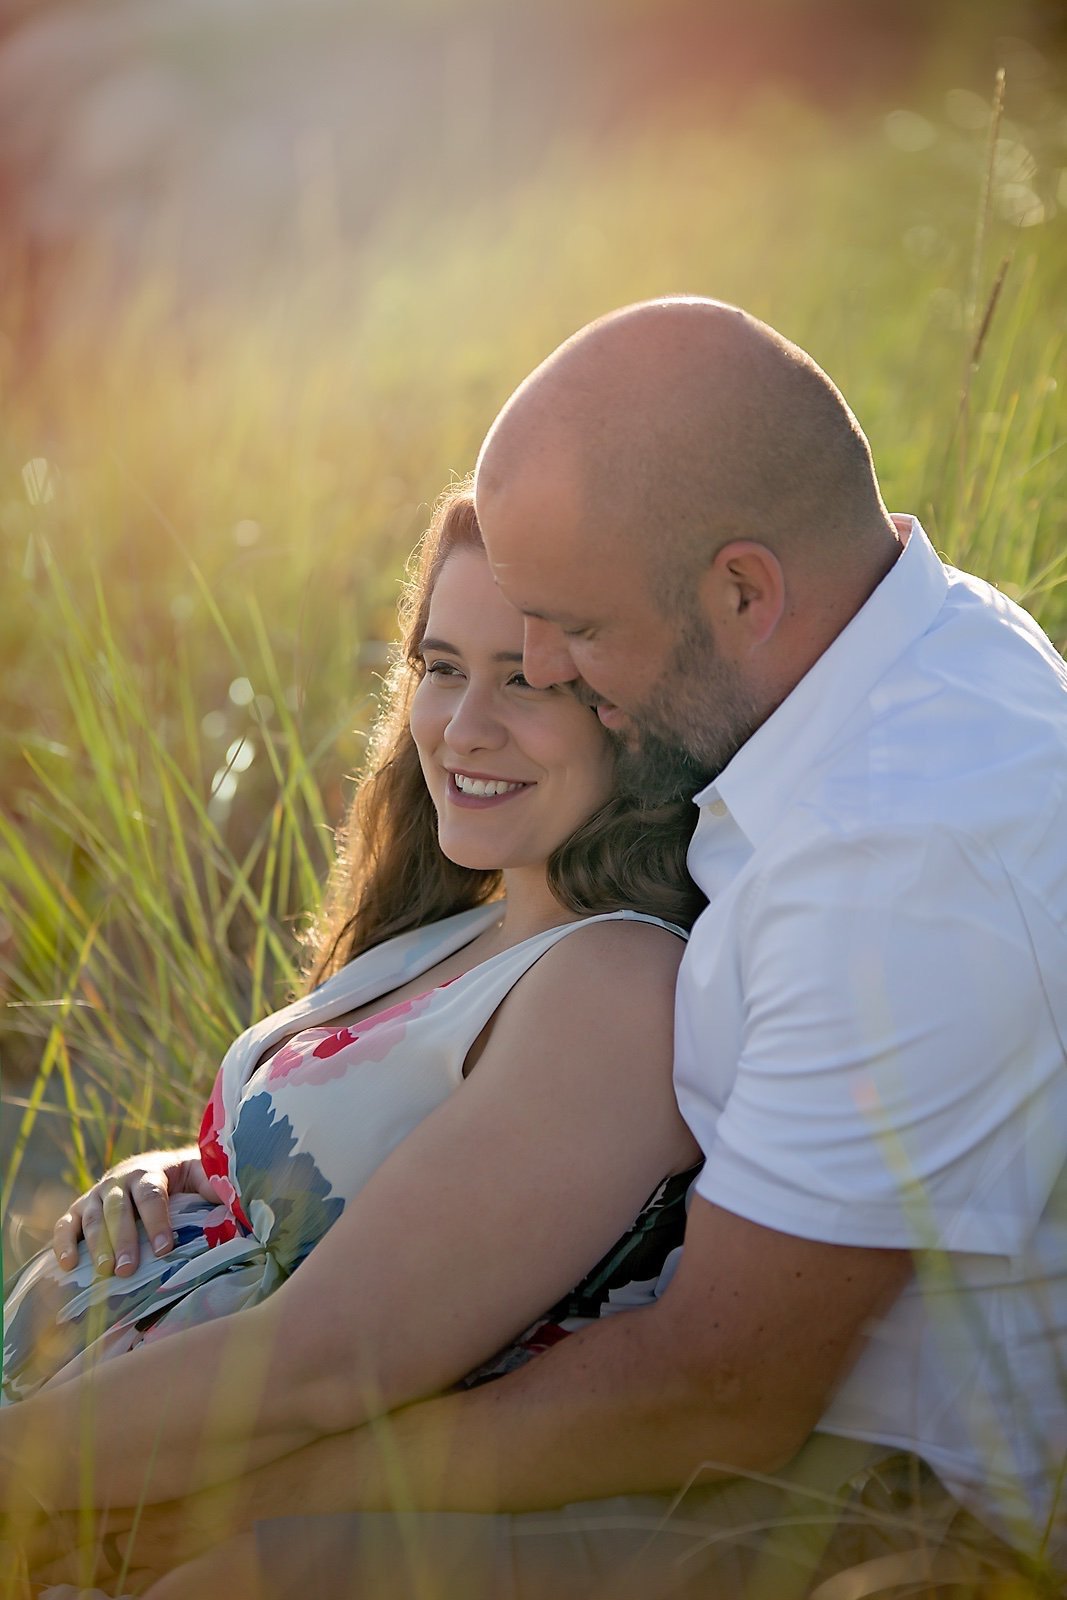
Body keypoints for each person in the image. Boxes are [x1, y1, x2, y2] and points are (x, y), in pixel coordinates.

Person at [111, 297, 1065, 1600]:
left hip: (886, 1503)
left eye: (576, 633)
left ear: (742, 589)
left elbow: (719, 1390)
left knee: (230, 1578)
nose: (544, 666)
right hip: (750, 1407)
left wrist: (249, 1501)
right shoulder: (910, 643)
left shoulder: (894, 868)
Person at [0, 486, 709, 1588]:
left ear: (630, 711)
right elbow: (369, 1168)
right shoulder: (467, 921)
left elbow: (325, 1366)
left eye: (524, 679)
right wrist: (178, 1175)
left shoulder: (618, 985)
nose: (461, 724)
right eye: (439, 666)